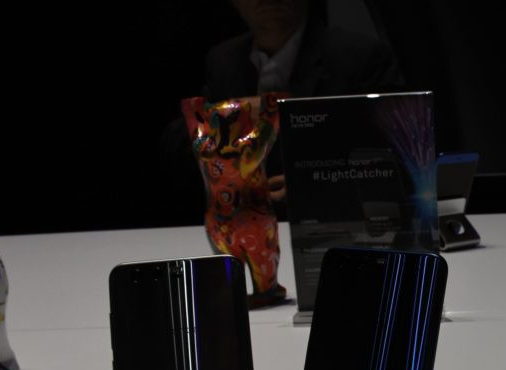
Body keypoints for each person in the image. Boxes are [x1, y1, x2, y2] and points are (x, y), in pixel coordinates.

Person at [161, 0, 403, 223]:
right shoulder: (224, 60)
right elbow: (178, 142)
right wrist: (234, 113)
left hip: (330, 223)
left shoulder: (359, 57)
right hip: (243, 223)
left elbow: (393, 154)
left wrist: (319, 184)